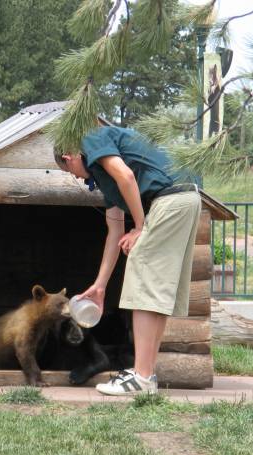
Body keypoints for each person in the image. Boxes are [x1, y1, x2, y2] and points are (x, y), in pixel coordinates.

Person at [54, 126, 201, 396]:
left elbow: (127, 176)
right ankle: (147, 374)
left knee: (142, 277)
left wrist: (142, 226)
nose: (78, 178)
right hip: (184, 197)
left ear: (68, 157)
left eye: (71, 173)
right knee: (154, 285)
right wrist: (100, 287)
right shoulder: (104, 177)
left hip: (169, 199)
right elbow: (115, 232)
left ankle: (142, 378)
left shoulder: (90, 139)